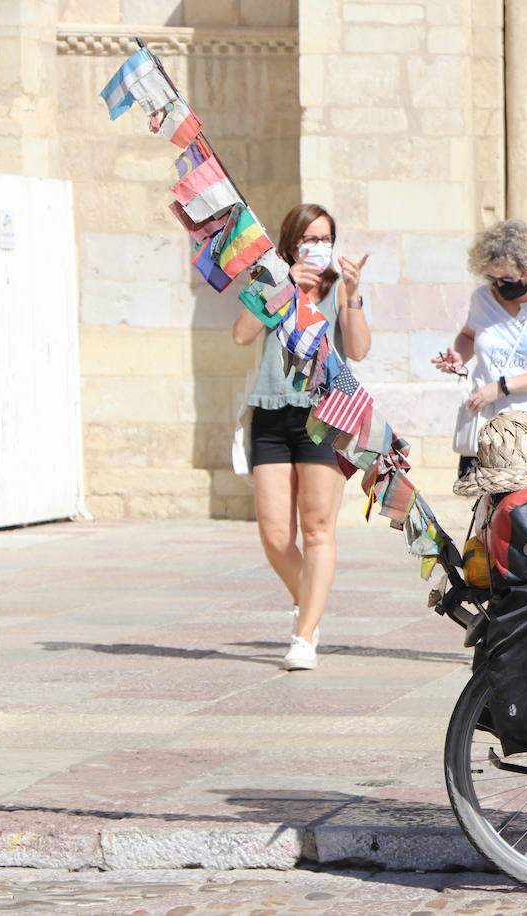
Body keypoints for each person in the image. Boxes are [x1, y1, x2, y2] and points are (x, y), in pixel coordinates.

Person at [231, 203, 371, 671]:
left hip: (324, 414)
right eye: (309, 239)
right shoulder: (269, 281)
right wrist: (285, 283)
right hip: (270, 413)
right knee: (274, 535)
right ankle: (308, 599)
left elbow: (358, 350)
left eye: (325, 238)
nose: (318, 247)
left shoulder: (336, 288)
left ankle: (304, 634)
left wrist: (351, 293)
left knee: (316, 528)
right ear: (291, 242)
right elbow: (241, 335)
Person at [431, 220, 527, 478]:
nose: (499, 286)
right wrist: (459, 356)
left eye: (507, 278)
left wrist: (501, 387)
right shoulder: (482, 299)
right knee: (490, 515)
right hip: (487, 431)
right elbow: (467, 335)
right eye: (492, 278)